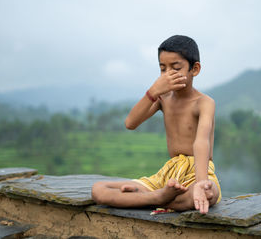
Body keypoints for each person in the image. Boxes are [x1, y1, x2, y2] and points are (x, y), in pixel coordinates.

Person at [91, 35, 221, 214]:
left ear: (195, 69)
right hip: (168, 175)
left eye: (175, 68)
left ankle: (152, 198)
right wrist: (153, 91)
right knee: (98, 190)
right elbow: (130, 123)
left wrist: (200, 183)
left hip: (196, 171)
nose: (168, 74)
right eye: (163, 69)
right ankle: (159, 198)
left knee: (207, 194)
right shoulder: (163, 98)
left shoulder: (204, 102)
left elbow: (201, 142)